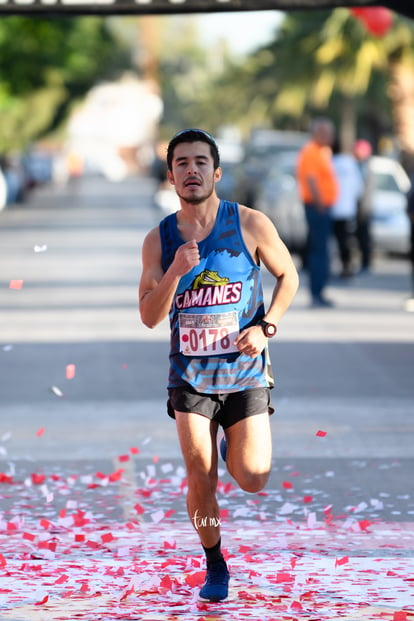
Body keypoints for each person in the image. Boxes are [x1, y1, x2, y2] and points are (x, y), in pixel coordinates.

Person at [138, 129, 299, 602]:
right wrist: (174, 272)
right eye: (182, 163)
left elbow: (287, 275)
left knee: (251, 476)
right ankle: (215, 561)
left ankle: (234, 442)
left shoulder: (249, 224)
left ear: (216, 171)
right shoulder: (159, 240)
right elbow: (149, 315)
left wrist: (266, 326)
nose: (192, 170)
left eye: (201, 162)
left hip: (244, 371)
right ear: (171, 176)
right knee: (199, 473)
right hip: (190, 377)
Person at [296, 118, 338, 307]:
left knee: (323, 250)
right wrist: (320, 203)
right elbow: (311, 180)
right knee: (319, 251)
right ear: (317, 133)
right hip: (316, 206)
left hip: (323, 206)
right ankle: (316, 293)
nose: (330, 136)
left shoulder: (323, 151)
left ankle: (320, 291)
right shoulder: (311, 151)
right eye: (326, 132)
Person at [331, 139, 364, 278]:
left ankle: (334, 266)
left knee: (332, 240)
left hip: (331, 208)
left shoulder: (330, 162)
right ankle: (346, 265)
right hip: (347, 209)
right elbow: (359, 187)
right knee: (345, 239)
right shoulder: (350, 163)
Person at [353, 139, 375, 274]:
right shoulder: (356, 165)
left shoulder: (366, 167)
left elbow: (365, 189)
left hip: (364, 206)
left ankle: (366, 263)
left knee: (364, 236)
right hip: (356, 206)